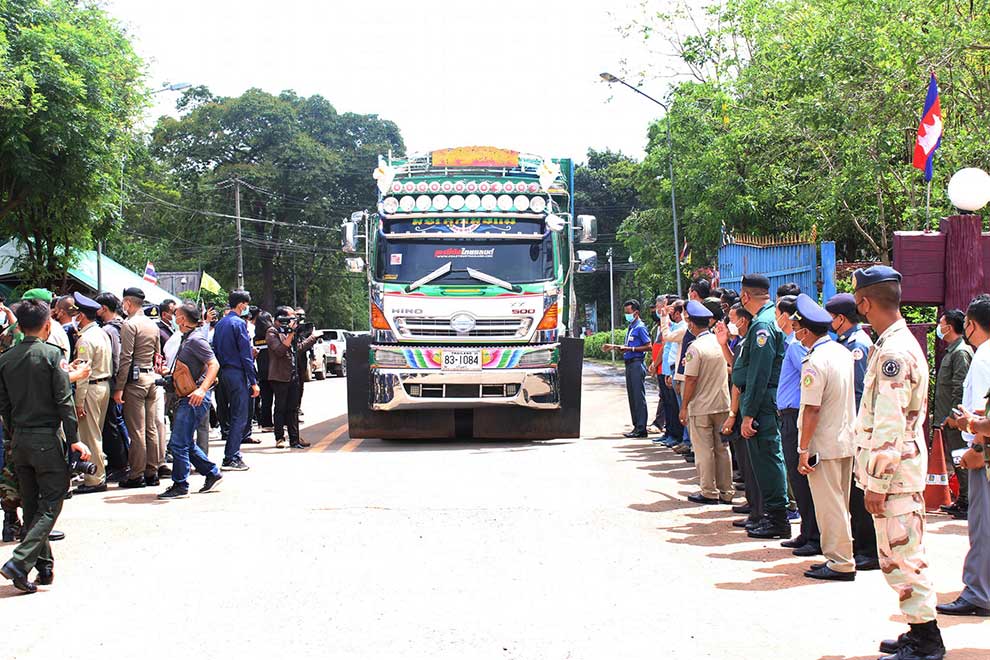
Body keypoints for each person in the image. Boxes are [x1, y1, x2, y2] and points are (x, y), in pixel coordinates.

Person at [851, 266, 944, 660]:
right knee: (897, 554)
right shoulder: (895, 343)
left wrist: (877, 481)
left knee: (904, 555)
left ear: (864, 302)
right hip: (899, 470)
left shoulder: (892, 351)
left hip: (895, 474)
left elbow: (889, 424)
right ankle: (917, 630)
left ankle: (926, 640)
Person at [0, 299, 89, 594]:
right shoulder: (53, 356)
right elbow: (64, 402)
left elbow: (4, 406)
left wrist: (16, 434)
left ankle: (45, 567)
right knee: (51, 504)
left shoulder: (6, 358)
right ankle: (19, 561)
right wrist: (75, 439)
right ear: (47, 325)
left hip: (20, 440)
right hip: (46, 439)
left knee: (31, 506)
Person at [791, 294, 857, 582]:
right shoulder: (841, 352)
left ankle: (841, 562)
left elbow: (812, 409)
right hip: (844, 438)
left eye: (796, 328)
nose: (795, 333)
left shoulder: (814, 361)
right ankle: (840, 555)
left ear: (806, 330)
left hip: (824, 442)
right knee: (840, 503)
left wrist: (803, 448)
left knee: (829, 505)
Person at [935, 295, 990, 619]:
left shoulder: (983, 357)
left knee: (982, 526)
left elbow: (984, 410)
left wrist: (977, 449)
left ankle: (978, 592)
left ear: (970, 324)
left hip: (983, 454)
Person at [825, 291, 880, 571]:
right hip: (851, 427)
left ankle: (869, 549)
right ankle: (860, 544)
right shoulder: (844, 341)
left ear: (841, 319)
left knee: (859, 493)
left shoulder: (857, 344)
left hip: (857, 426)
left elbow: (857, 391)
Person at [735, 274, 790, 539]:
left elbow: (758, 374)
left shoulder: (762, 327)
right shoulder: (765, 320)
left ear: (745, 296)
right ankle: (772, 515)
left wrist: (748, 414)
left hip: (762, 402)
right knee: (764, 459)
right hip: (764, 400)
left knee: (768, 459)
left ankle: (778, 519)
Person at [158, 303, 223, 499]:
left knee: (178, 442)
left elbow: (214, 364)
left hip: (194, 397)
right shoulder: (187, 339)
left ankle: (180, 484)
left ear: (183, 319)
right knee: (184, 441)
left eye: (176, 315)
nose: (174, 317)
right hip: (186, 396)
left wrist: (202, 390)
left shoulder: (195, 340)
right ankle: (212, 473)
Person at [775, 295, 820, 556]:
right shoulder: (792, 344)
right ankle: (807, 531)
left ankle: (813, 534)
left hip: (797, 414)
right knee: (796, 476)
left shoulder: (796, 347)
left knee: (801, 478)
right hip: (791, 414)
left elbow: (808, 378)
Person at [679, 301, 733, 504]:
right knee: (722, 449)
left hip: (701, 406)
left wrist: (684, 406)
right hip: (722, 404)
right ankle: (726, 491)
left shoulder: (695, 347)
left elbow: (691, 379)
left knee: (704, 451)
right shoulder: (718, 343)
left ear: (692, 325)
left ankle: (709, 491)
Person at [114, 287, 162, 488]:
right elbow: (158, 355)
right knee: (151, 428)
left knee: (137, 430)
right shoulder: (152, 325)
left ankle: (136, 474)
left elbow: (125, 358)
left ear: (128, 303)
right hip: (151, 376)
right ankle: (152, 471)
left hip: (135, 381)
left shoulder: (129, 324)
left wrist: (119, 387)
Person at [931, 309, 973, 519]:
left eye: (942, 323)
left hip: (954, 419)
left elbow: (961, 388)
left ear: (950, 326)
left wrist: (952, 416)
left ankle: (967, 501)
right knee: (956, 459)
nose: (939, 326)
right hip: (946, 418)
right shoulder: (952, 351)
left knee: (960, 458)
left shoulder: (961, 353)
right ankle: (963, 499)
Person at [211, 290, 259, 471]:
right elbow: (245, 355)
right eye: (246, 305)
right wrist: (253, 381)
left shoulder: (221, 324)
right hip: (237, 373)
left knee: (229, 414)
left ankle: (232, 454)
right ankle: (231, 456)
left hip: (223, 372)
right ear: (241, 305)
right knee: (240, 416)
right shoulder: (239, 324)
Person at [70, 293, 113, 495]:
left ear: (81, 316)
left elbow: (83, 375)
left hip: (90, 389)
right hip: (103, 385)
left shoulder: (85, 339)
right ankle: (98, 473)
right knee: (96, 432)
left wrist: (79, 403)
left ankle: (94, 478)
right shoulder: (101, 333)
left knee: (90, 435)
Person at [267, 308, 321, 448]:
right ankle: (279, 438)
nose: (293, 320)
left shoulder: (292, 332)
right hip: (279, 376)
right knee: (280, 408)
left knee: (293, 408)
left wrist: (313, 337)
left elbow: (298, 348)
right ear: (281, 318)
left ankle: (294, 439)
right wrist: (290, 333)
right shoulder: (272, 332)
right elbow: (279, 351)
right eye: (291, 318)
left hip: (293, 374)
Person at [603, 300, 652, 438]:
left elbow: (649, 346)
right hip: (629, 363)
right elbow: (627, 346)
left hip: (637, 363)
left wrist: (631, 349)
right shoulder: (631, 327)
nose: (626, 315)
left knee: (638, 396)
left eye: (628, 313)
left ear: (636, 313)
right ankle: (636, 426)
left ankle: (642, 428)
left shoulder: (640, 327)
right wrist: (614, 347)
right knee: (632, 396)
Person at [95, 292, 129, 481]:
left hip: (112, 381)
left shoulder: (109, 330)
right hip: (120, 382)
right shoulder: (122, 325)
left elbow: (115, 358)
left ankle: (119, 464)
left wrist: (116, 384)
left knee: (112, 425)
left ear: (104, 309)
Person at [658, 301, 685, 448]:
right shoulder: (677, 327)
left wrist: (664, 318)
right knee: (671, 405)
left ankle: (681, 438)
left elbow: (667, 338)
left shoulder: (683, 328)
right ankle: (674, 435)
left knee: (678, 408)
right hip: (671, 370)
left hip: (677, 372)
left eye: (672, 310)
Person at [253, 311, 275, 432]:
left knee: (266, 400)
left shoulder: (256, 338)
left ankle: (266, 424)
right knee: (280, 399)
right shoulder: (272, 335)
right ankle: (280, 423)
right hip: (274, 371)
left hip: (262, 371)